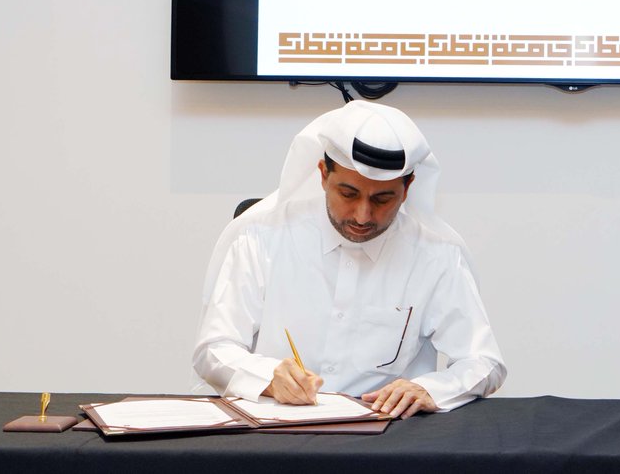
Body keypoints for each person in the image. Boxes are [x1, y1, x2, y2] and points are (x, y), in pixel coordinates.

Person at [193, 101, 506, 418]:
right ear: (323, 175)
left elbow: (483, 362)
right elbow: (214, 349)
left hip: (389, 443)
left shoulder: (436, 255)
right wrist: (267, 378)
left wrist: (430, 389)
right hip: (277, 432)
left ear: (408, 187)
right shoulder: (262, 236)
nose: (363, 215)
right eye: (349, 194)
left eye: (382, 199)